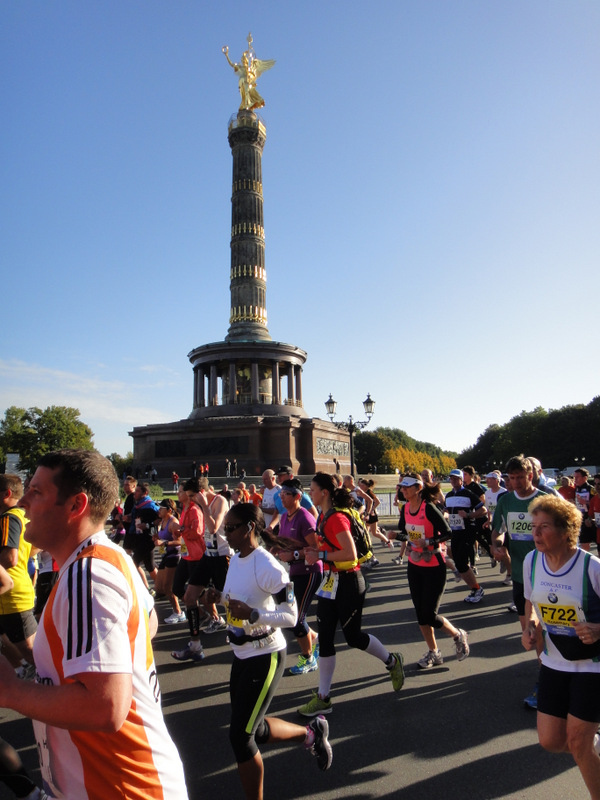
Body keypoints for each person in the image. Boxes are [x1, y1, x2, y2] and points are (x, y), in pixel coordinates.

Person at [2, 449, 188, 799]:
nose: (23, 501)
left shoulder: (86, 576)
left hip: (122, 788)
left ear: (76, 506)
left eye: (37, 491)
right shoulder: (109, 557)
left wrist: (10, 689)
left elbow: (105, 708)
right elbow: (148, 623)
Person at [206, 502, 332, 800]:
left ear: (250, 527)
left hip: (266, 655)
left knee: (241, 737)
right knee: (254, 727)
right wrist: (218, 597)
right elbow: (238, 600)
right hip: (241, 653)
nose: (227, 534)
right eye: (225, 529)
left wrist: (254, 615)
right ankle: (310, 733)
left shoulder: (268, 565)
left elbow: (291, 616)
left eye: (231, 528)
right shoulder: (236, 559)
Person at [298, 473, 405, 717]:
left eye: (312, 489)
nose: (310, 493)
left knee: (353, 637)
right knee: (325, 637)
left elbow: (350, 553)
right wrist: (309, 552)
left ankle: (392, 661)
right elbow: (329, 548)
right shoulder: (323, 516)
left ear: (324, 492)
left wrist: (321, 556)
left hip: (348, 582)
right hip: (331, 582)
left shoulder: (335, 517)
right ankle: (323, 697)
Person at [522, 494, 600, 800]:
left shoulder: (592, 568)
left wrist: (597, 628)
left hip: (593, 664)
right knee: (551, 741)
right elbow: (531, 602)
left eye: (544, 527)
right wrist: (531, 625)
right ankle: (593, 740)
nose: (536, 534)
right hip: (555, 661)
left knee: (577, 744)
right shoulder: (531, 561)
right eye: (534, 526)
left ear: (567, 531)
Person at [491, 454, 547, 708]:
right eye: (511, 478)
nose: (515, 482)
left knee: (543, 631)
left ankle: (545, 683)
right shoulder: (505, 501)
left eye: (520, 477)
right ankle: (546, 677)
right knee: (531, 632)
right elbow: (499, 530)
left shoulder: (545, 500)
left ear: (531, 475)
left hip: (547, 574)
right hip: (520, 575)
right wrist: (498, 544)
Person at [398, 474, 470, 669]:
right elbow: (404, 532)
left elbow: (448, 532)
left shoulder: (428, 508)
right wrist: (395, 535)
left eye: (407, 487)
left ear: (418, 488)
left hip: (434, 565)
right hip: (414, 565)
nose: (403, 490)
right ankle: (434, 652)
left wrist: (428, 542)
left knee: (429, 614)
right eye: (402, 487)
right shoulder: (405, 508)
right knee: (420, 614)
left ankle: (457, 634)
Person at [270, 479, 321, 675]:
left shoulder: (305, 518)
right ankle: (312, 636)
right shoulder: (284, 517)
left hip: (310, 571)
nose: (281, 497)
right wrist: (270, 551)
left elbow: (317, 547)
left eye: (286, 494)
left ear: (298, 497)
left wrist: (294, 555)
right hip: (293, 572)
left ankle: (308, 659)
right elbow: (281, 541)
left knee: (295, 620)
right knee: (293, 617)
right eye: (281, 493)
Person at [0, 475, 37, 669]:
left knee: (33, 653)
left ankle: (58, 688)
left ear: (6, 494)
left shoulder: (9, 518)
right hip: (16, 590)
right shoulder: (24, 516)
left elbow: (9, 558)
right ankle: (22, 670)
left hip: (11, 596)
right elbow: (36, 547)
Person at [170, 480, 208, 662]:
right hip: (186, 555)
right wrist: (178, 532)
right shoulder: (184, 508)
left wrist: (181, 529)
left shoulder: (194, 509)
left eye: (181, 491)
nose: (178, 493)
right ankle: (203, 615)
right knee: (177, 588)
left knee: (193, 596)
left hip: (196, 556)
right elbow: (185, 532)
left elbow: (197, 532)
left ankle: (210, 618)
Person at [444, 469, 487, 603]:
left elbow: (483, 509)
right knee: (459, 561)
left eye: (456, 479)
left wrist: (468, 515)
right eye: (451, 479)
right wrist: (445, 514)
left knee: (461, 562)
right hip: (455, 532)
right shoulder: (449, 495)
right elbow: (448, 510)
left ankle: (477, 589)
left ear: (462, 480)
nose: (454, 481)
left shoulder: (468, 494)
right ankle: (474, 588)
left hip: (467, 531)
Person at [153, 498, 185, 624]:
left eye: (161, 508)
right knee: (159, 587)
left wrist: (164, 543)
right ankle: (186, 603)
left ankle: (178, 612)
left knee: (168, 588)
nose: (159, 510)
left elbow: (181, 541)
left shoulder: (173, 523)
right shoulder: (162, 521)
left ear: (169, 510)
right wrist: (156, 538)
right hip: (165, 556)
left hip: (174, 556)